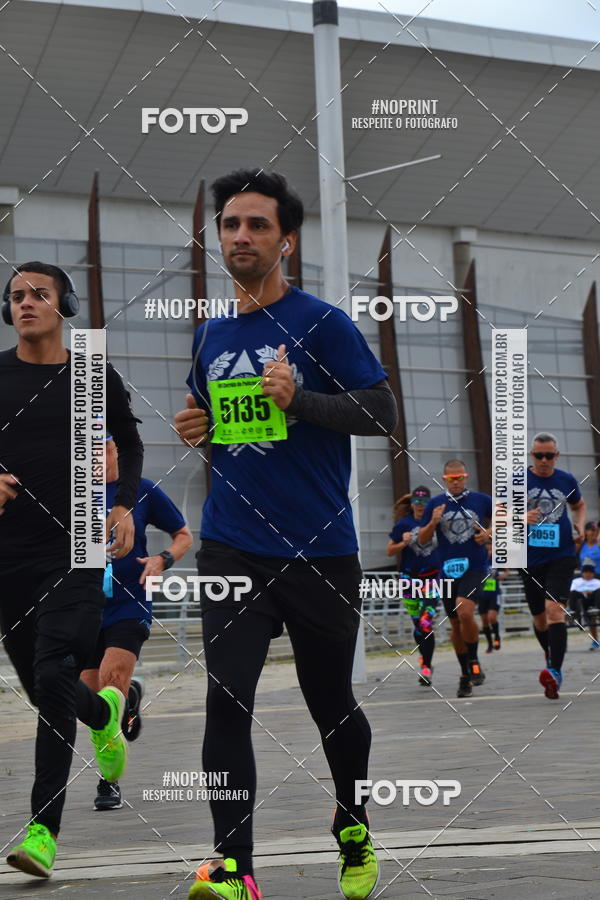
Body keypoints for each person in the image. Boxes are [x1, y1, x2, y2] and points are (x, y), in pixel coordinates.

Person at [174, 168, 398, 900]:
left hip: (319, 548)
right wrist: (196, 428)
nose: (241, 236)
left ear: (286, 242)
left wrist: (300, 400)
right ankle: (233, 868)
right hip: (231, 544)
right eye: (231, 224)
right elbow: (218, 423)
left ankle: (354, 823)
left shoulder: (321, 323)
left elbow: (378, 413)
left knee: (329, 699)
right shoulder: (209, 333)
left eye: (257, 225)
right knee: (226, 697)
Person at [0, 262, 143, 878]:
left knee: (55, 669)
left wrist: (123, 502)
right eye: (16, 296)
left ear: (65, 306)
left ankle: (42, 832)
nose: (26, 303)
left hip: (78, 547)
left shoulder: (91, 373)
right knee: (47, 690)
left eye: (39, 294)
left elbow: (130, 443)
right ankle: (105, 714)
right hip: (8, 556)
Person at [80, 436, 192, 810]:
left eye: (106, 446)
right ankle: (130, 701)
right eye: (90, 447)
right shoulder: (73, 493)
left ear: (118, 450)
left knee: (112, 680)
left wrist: (162, 560)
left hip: (130, 602)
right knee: (90, 700)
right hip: (84, 606)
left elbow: (183, 536)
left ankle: (108, 781)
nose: (99, 454)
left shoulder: (141, 492)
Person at [519, 432, 585, 699]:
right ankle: (550, 654)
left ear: (556, 455)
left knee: (554, 610)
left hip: (562, 554)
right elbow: (500, 513)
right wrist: (522, 516)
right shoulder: (518, 480)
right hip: (529, 558)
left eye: (549, 455)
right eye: (538, 455)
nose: (544, 460)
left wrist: (579, 523)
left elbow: (579, 505)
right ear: (531, 455)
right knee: (539, 618)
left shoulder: (566, 480)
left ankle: (555, 672)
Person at [418, 460, 492, 699]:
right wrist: (433, 522)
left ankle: (473, 658)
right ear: (444, 479)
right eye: (451, 479)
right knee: (455, 624)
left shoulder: (481, 500)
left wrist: (489, 534)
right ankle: (465, 673)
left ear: (466, 477)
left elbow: (506, 519)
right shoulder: (435, 504)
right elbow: (422, 539)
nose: (456, 481)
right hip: (448, 570)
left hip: (475, 566)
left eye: (460, 477)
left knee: (465, 612)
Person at [387, 486, 441, 686]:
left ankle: (426, 667)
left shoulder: (436, 522)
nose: (420, 506)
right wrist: (403, 543)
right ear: (412, 504)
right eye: (417, 503)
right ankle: (424, 658)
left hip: (432, 578)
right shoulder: (403, 524)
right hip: (409, 579)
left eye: (424, 502)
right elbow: (390, 552)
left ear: (430, 503)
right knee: (418, 626)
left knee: (426, 622)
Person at [568, 559, 600, 650]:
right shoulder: (576, 581)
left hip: (593, 601)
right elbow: (572, 591)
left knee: (598, 592)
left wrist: (591, 592)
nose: (588, 574)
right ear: (582, 572)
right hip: (580, 600)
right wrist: (584, 591)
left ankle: (595, 640)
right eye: (586, 572)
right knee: (574, 593)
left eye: (590, 572)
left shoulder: (597, 582)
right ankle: (573, 610)